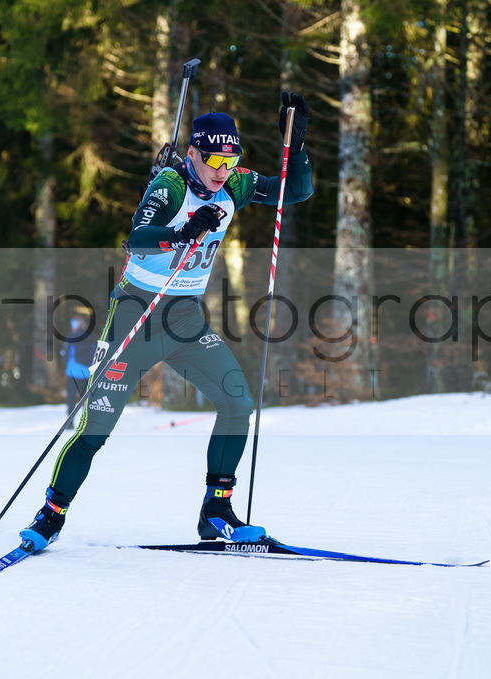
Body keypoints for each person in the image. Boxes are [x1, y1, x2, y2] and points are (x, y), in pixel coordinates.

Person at [20, 93, 313, 551]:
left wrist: (295, 147)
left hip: (185, 319)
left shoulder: (234, 182)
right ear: (193, 153)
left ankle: (216, 510)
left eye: (231, 158)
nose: (222, 169)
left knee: (238, 403)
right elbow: (137, 239)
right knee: (95, 428)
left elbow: (293, 192)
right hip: (135, 317)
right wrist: (183, 231)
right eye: (214, 158)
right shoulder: (171, 187)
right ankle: (50, 516)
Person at [62, 314, 96, 429]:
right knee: (85, 399)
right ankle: (86, 423)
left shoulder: (72, 337)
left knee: (71, 398)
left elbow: (66, 355)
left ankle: (70, 423)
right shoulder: (91, 337)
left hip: (72, 371)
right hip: (87, 373)